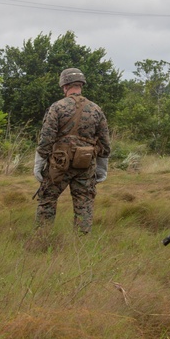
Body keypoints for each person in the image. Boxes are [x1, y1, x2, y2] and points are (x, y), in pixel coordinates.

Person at [33, 68, 111, 235]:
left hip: (60, 163)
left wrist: (39, 164)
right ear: (81, 85)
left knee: (47, 199)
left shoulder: (57, 107)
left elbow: (46, 139)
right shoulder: (96, 109)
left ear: (64, 86)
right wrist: (102, 169)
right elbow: (104, 142)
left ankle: (42, 238)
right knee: (84, 203)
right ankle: (81, 246)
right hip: (86, 163)